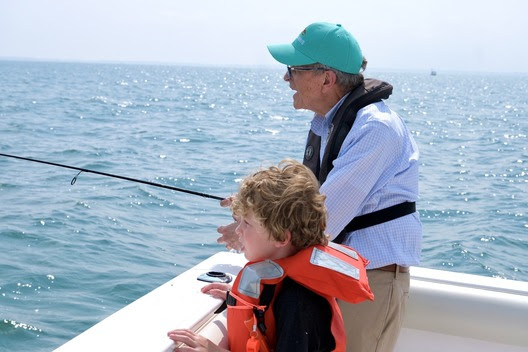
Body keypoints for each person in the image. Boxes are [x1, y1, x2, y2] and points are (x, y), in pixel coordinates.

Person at [217, 22, 422, 352]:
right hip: (334, 275)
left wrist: (253, 227)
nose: (287, 78)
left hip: (372, 284)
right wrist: (254, 213)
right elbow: (306, 206)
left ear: (327, 78)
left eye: (294, 69)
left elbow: (322, 220)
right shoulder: (328, 124)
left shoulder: (376, 129)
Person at [169, 160, 373, 351]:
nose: (238, 231)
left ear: (281, 237)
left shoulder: (299, 304)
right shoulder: (281, 285)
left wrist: (212, 348)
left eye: (247, 223)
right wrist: (240, 301)